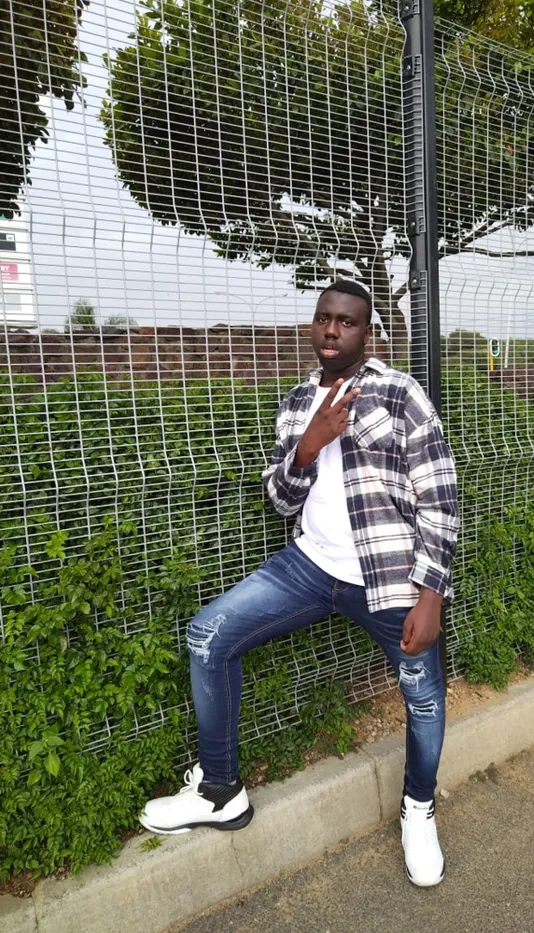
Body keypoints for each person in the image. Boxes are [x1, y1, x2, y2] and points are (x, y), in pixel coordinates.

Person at [139, 280, 459, 887]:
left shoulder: (399, 393)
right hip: (309, 568)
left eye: (347, 321)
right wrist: (308, 446)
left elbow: (439, 497)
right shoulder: (296, 402)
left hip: (389, 578)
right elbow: (281, 501)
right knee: (208, 636)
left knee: (423, 696)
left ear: (368, 332)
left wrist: (431, 594)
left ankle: (418, 810)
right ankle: (220, 792)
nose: (332, 330)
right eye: (323, 318)